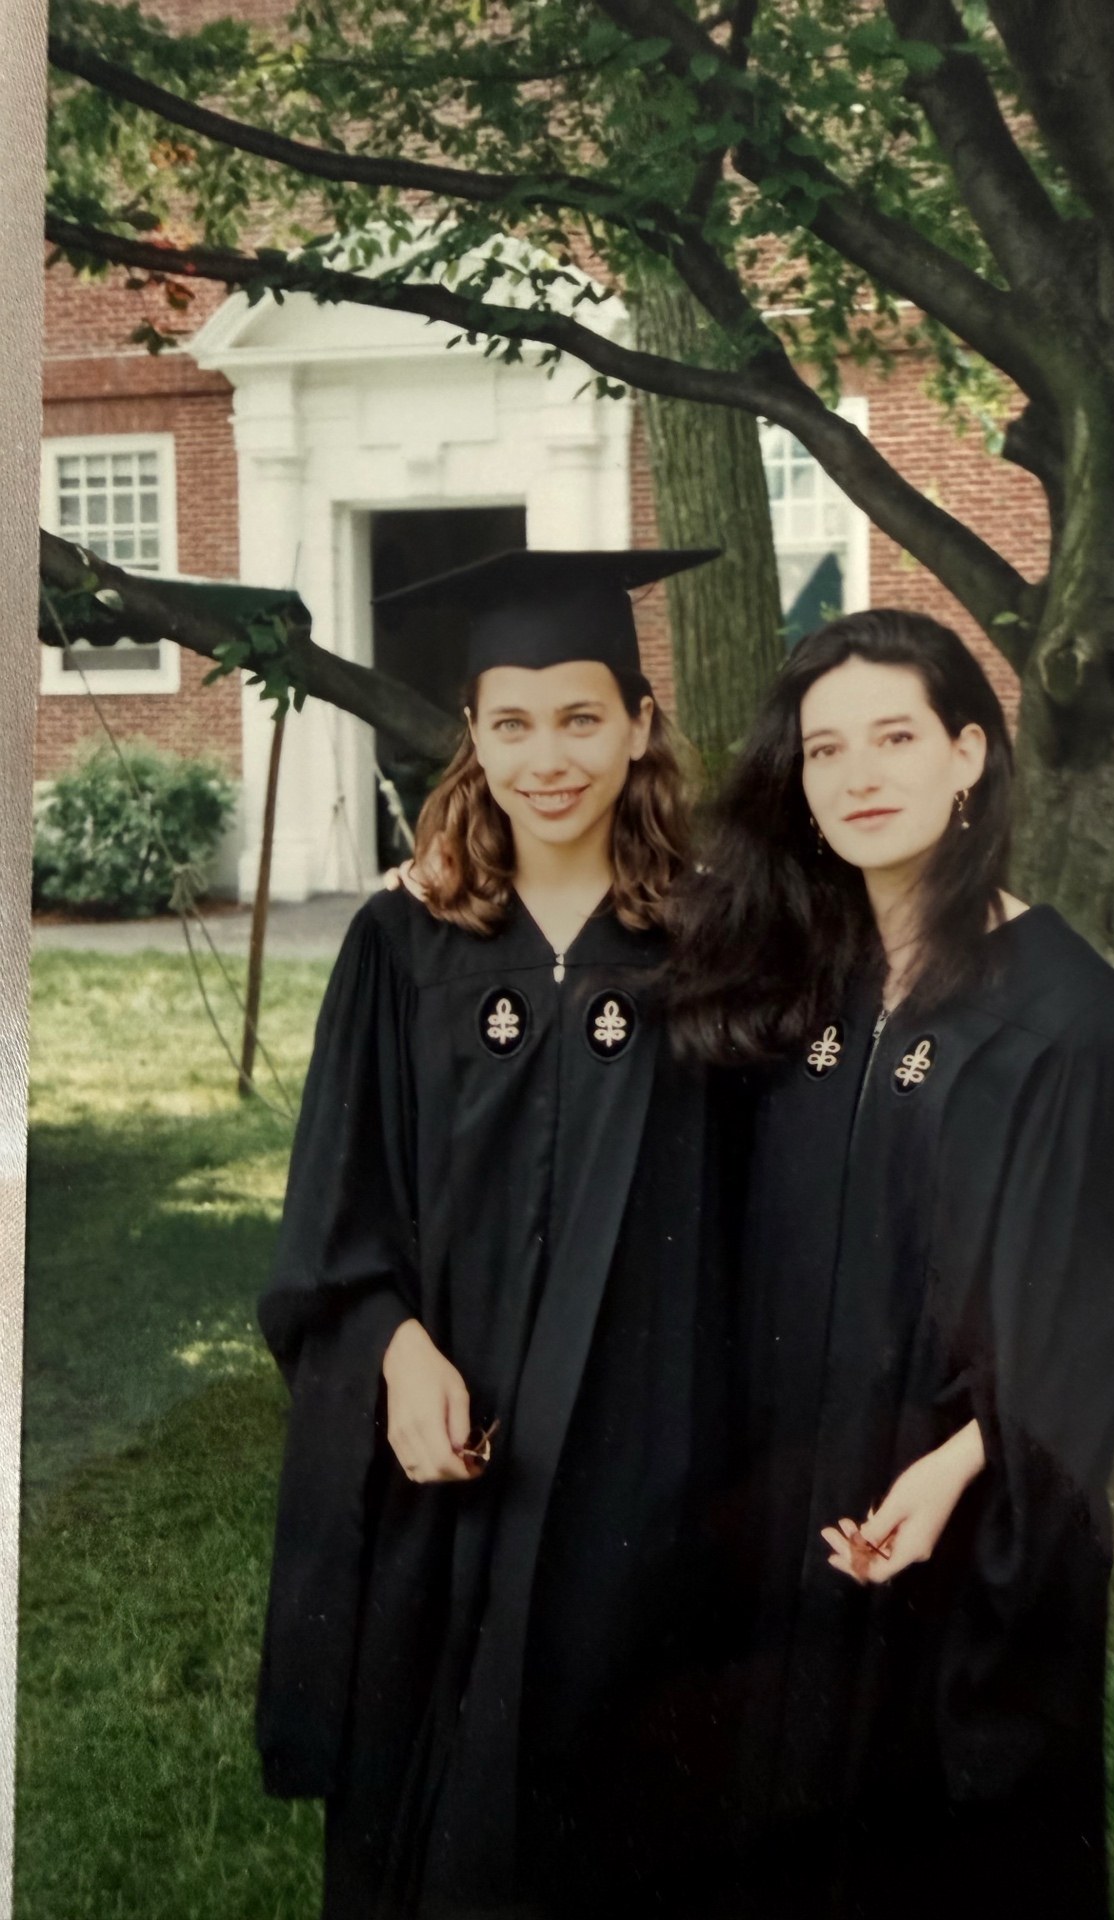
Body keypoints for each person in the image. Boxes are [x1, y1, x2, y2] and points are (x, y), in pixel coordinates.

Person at [667, 607, 1114, 1918]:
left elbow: (1084, 1317)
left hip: (958, 1515)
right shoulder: (799, 981)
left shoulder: (1071, 1024)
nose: (859, 777)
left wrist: (956, 1469)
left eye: (896, 737)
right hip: (788, 1499)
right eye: (826, 750)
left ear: (968, 757)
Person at [255, 547, 734, 1920]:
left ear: (641, 724)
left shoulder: (710, 948)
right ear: (472, 731)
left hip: (642, 1464)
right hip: (442, 1470)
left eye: (581, 717)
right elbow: (329, 1214)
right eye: (511, 722)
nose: (548, 757)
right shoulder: (402, 949)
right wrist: (393, 1351)